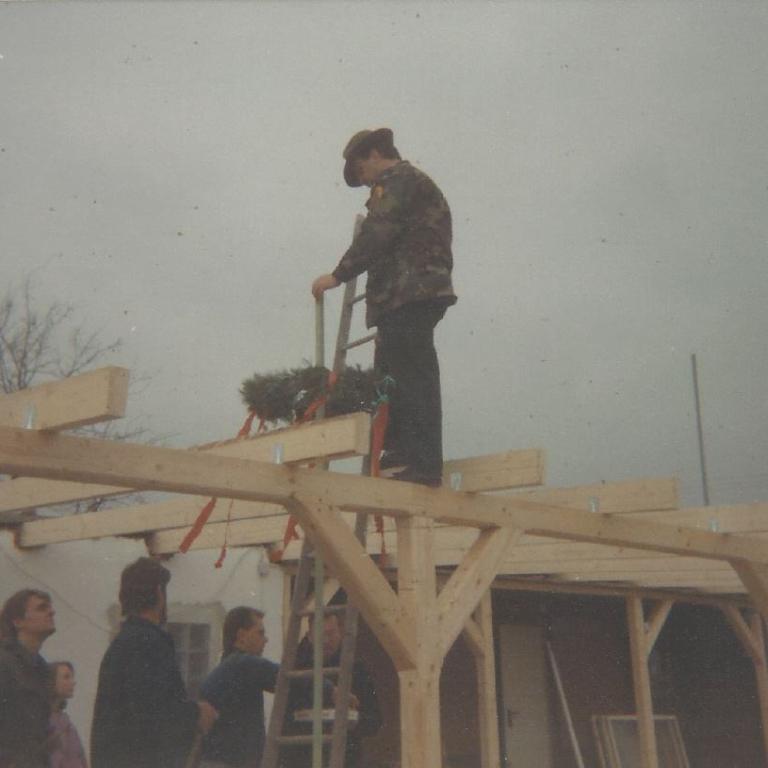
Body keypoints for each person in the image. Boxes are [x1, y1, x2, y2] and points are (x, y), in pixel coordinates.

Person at [312, 127, 457, 487]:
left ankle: (421, 464)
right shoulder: (403, 184)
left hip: (412, 290)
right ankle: (400, 455)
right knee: (396, 374)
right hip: (403, 293)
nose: (364, 182)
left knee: (412, 375)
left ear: (376, 154)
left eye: (361, 170)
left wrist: (338, 275)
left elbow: (377, 232)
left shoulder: (398, 181)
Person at [90, 557, 218, 768]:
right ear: (159, 593)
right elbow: (154, 712)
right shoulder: (148, 641)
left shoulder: (123, 642)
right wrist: (197, 713)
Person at [282, 612, 381, 768]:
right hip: (304, 758)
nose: (326, 640)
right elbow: (284, 721)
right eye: (321, 635)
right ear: (309, 636)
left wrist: (354, 721)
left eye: (331, 633)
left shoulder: (356, 669)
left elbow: (375, 720)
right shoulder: (295, 670)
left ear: (340, 633)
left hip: (345, 758)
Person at [198, 607, 278, 768]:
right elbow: (289, 680)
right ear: (241, 635)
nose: (266, 639)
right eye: (260, 633)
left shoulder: (224, 669)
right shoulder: (243, 664)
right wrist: (328, 686)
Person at [0, 588, 56, 768]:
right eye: (41, 608)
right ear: (18, 621)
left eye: (50, 607)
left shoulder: (43, 670)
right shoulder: (4, 663)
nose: (52, 612)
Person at [48, 661, 88, 768]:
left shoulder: (65, 721)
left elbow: (80, 757)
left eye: (72, 677)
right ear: (51, 681)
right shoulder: (45, 721)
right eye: (66, 677)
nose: (73, 682)